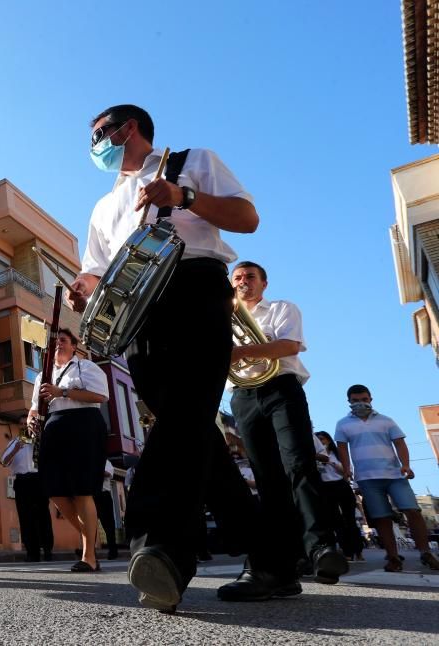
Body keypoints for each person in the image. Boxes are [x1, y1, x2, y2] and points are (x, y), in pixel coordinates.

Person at [69, 104, 281, 611]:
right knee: (190, 430)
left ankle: (161, 552)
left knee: (183, 421)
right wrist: (83, 289)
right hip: (137, 314)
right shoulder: (102, 208)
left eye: (99, 134)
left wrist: (183, 196)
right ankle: (272, 557)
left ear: (129, 129)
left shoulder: (190, 160)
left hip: (195, 290)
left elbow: (247, 218)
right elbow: (94, 272)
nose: (95, 146)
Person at [228, 261, 348, 584]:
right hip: (243, 396)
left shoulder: (281, 308)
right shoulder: (224, 318)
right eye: (237, 278)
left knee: (299, 464)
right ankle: (284, 559)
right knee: (266, 478)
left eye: (250, 277)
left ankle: (321, 547)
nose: (243, 282)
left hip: (281, 388)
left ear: (263, 283)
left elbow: (289, 346)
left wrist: (241, 352)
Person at [26, 328, 108, 573]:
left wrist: (62, 392)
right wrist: (30, 419)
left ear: (74, 346)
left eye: (63, 340)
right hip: (54, 429)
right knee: (55, 491)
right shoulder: (42, 376)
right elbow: (34, 407)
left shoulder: (86, 367)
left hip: (84, 426)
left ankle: (89, 556)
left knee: (82, 490)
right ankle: (91, 536)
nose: (58, 344)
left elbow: (101, 395)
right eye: (55, 341)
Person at [334, 384, 439, 573]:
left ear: (371, 399)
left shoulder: (386, 421)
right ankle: (392, 556)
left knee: (412, 511)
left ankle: (426, 552)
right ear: (349, 402)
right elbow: (342, 448)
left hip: (394, 475)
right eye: (356, 400)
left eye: (364, 399)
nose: (360, 403)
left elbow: (399, 443)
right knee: (381, 518)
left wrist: (405, 465)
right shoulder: (343, 424)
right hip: (366, 478)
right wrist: (346, 470)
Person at [0, 430, 54, 562]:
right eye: (23, 424)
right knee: (26, 518)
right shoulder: (14, 442)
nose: (26, 426)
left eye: (27, 423)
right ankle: (32, 553)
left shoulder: (40, 441)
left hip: (38, 479)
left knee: (43, 516)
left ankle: (47, 550)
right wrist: (16, 449)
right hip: (22, 482)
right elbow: (3, 461)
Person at [314, 431, 363, 562]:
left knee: (350, 519)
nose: (321, 442)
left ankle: (358, 550)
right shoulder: (315, 457)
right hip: (325, 488)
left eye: (323, 439)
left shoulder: (337, 455)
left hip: (341, 485)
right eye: (318, 440)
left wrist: (330, 461)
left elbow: (346, 472)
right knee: (335, 521)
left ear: (328, 440)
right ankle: (346, 551)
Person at [93, 458, 119, 560]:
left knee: (108, 525)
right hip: (92, 496)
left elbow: (108, 473)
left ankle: (113, 551)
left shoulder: (105, 461)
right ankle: (90, 551)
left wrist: (93, 471)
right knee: (89, 525)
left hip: (104, 495)